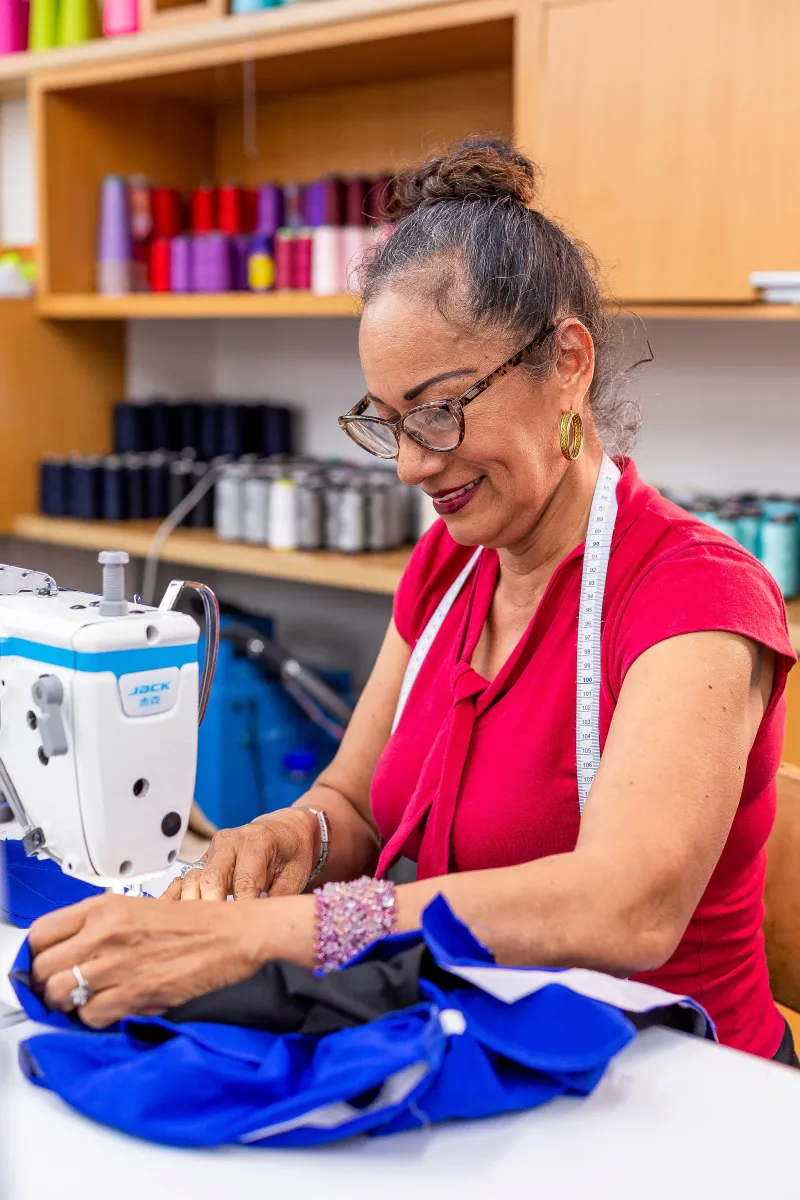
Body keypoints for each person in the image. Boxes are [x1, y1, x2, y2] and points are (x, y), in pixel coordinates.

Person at [30, 139, 797, 1060]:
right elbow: (356, 806)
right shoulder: (448, 567)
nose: (409, 465)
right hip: (487, 1041)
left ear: (568, 361)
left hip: (677, 1081)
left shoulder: (693, 593)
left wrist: (272, 935)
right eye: (389, 423)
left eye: (438, 411)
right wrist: (290, 837)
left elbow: (626, 909)